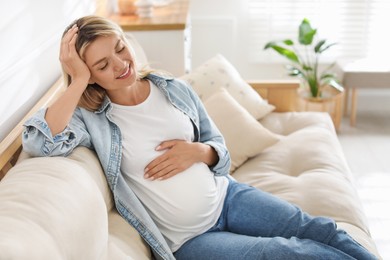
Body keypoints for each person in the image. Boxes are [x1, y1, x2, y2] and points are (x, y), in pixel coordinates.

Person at [22, 15, 377, 260]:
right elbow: (39, 142)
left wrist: (199, 152)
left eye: (119, 47)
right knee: (284, 252)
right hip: (189, 240)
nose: (120, 63)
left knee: (318, 229)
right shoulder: (92, 120)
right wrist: (77, 81)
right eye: (101, 65)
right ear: (89, 75)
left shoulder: (172, 88)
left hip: (228, 197)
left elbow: (218, 146)